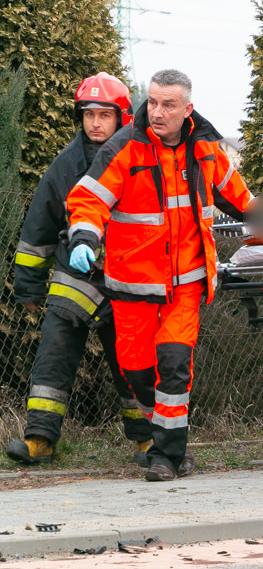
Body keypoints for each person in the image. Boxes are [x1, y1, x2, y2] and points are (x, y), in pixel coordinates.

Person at [65, 69, 254, 481]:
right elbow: (89, 198)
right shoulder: (125, 147)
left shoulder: (205, 150)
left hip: (185, 284)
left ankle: (169, 455)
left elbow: (240, 199)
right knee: (137, 372)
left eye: (168, 104)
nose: (156, 111)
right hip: (132, 287)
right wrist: (83, 237)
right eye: (152, 102)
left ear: (187, 109)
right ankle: (161, 438)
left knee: (173, 363)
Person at [5, 73, 151, 466]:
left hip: (125, 283)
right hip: (74, 282)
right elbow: (37, 232)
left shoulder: (140, 161)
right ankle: (39, 440)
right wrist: (30, 290)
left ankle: (147, 442)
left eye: (105, 114)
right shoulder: (64, 167)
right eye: (89, 114)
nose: (96, 123)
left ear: (122, 117)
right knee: (53, 357)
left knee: (132, 364)